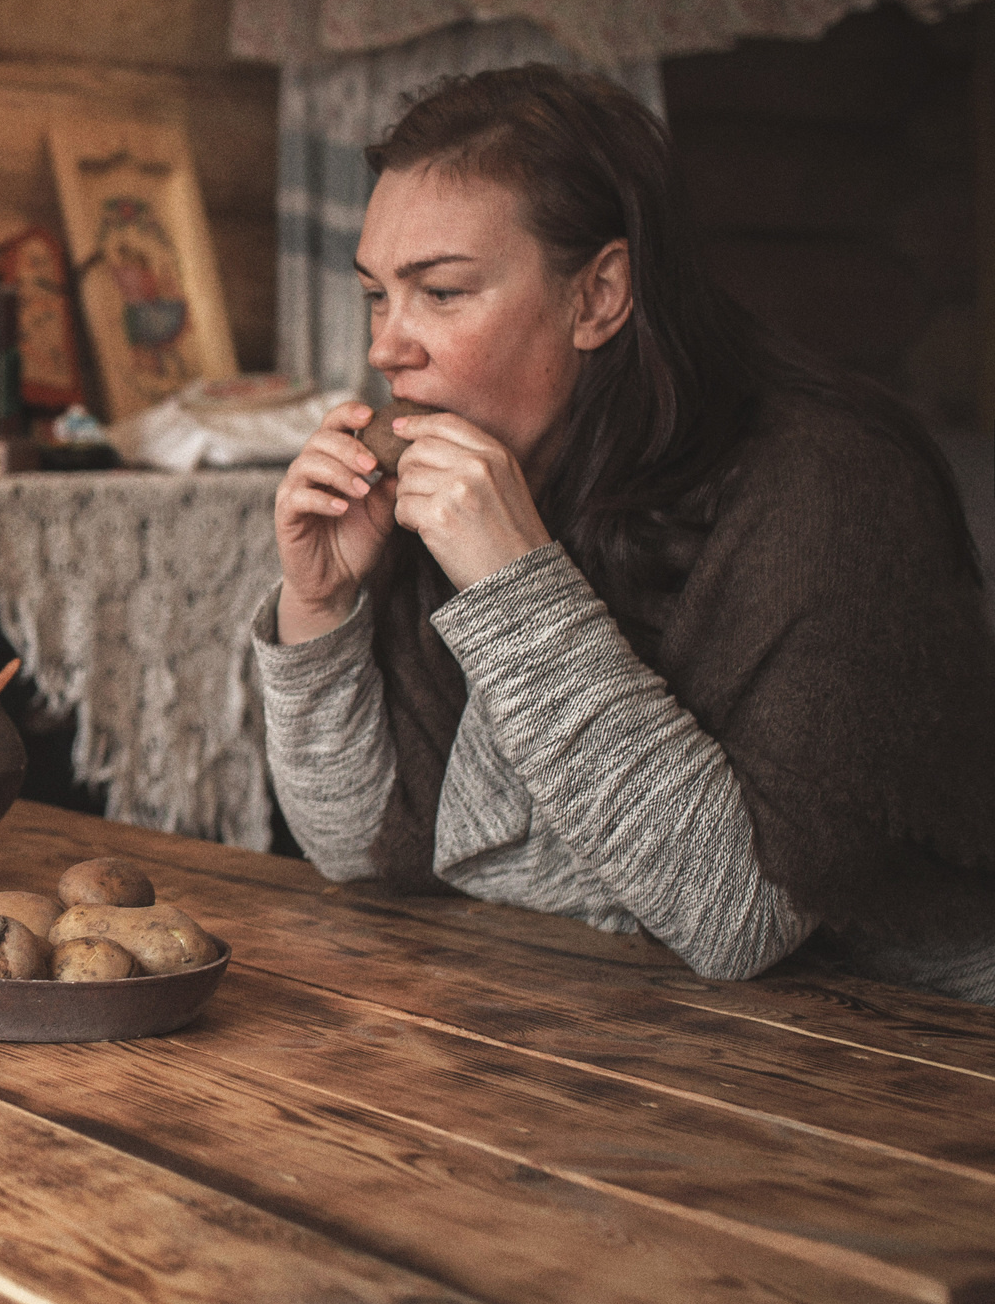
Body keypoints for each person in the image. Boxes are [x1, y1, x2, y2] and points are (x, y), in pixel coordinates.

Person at [256, 65, 995, 1003]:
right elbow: (361, 845)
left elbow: (740, 919)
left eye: (439, 293)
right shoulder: (485, 466)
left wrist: (515, 584)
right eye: (376, 294)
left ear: (599, 295)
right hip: (616, 1029)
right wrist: (321, 609)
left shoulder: (835, 490)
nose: (385, 348)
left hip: (906, 1059)